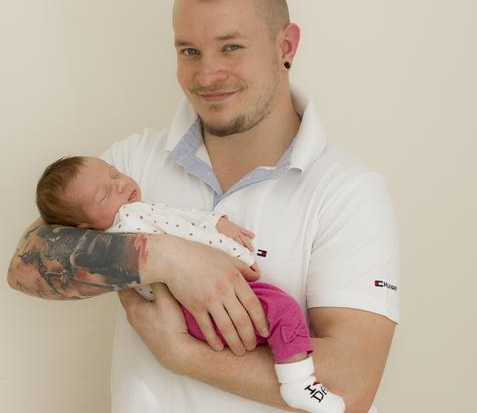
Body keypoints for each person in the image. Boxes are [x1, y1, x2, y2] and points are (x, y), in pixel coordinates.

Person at [7, 0, 399, 413]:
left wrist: (182, 355)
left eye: (231, 47)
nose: (207, 74)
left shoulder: (348, 191)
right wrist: (167, 257)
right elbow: (26, 266)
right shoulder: (129, 167)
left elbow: (352, 385)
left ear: (285, 46)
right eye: (189, 50)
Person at [34, 155, 346, 412]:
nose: (121, 184)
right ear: (83, 227)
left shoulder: (119, 229)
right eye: (104, 194)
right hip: (196, 307)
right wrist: (215, 229)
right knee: (282, 310)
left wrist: (215, 225)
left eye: (115, 173)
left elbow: (176, 219)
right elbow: (179, 220)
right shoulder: (128, 220)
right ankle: (299, 383)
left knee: (271, 327)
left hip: (193, 311)